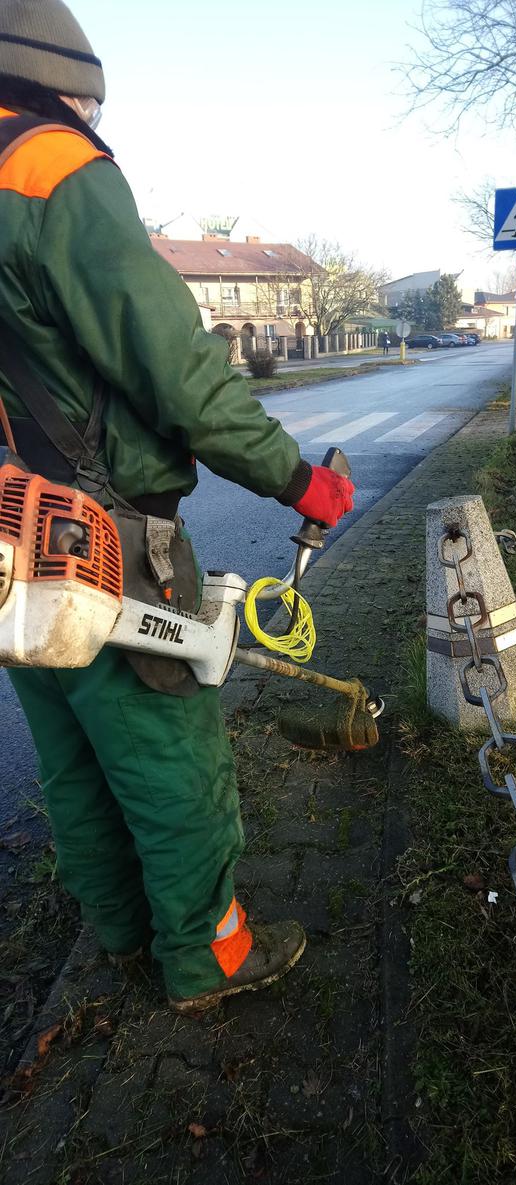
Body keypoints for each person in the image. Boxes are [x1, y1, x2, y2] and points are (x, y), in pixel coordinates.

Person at [0, 0, 355, 1013]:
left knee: (72, 755)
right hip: (103, 536)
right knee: (169, 759)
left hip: (8, 528)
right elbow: (181, 372)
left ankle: (116, 937)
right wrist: (300, 479)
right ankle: (210, 959)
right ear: (64, 80)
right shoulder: (53, 170)